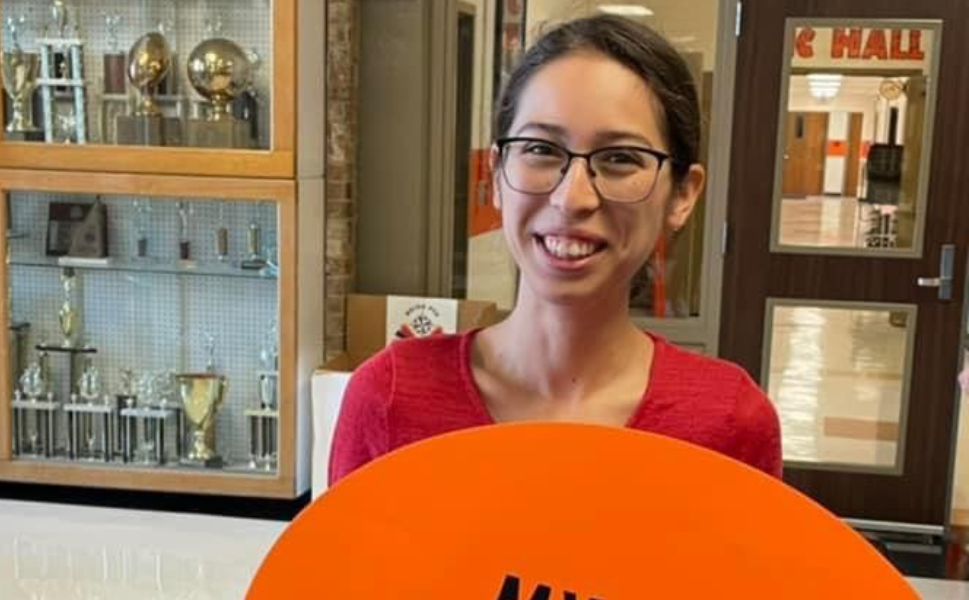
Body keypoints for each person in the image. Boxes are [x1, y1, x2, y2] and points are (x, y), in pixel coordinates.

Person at [329, 15, 782, 485]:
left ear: (683, 195)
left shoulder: (729, 421)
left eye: (621, 158)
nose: (573, 197)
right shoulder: (391, 398)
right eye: (542, 149)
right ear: (497, 175)